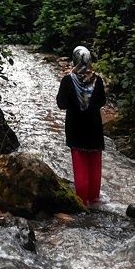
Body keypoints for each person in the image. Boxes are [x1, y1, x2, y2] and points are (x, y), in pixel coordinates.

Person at [56, 45, 106, 206]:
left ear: (75, 60)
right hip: (95, 127)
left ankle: (82, 201)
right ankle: (95, 199)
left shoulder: (68, 80)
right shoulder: (97, 79)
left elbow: (61, 104)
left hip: (76, 127)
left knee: (80, 164)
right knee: (95, 163)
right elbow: (102, 102)